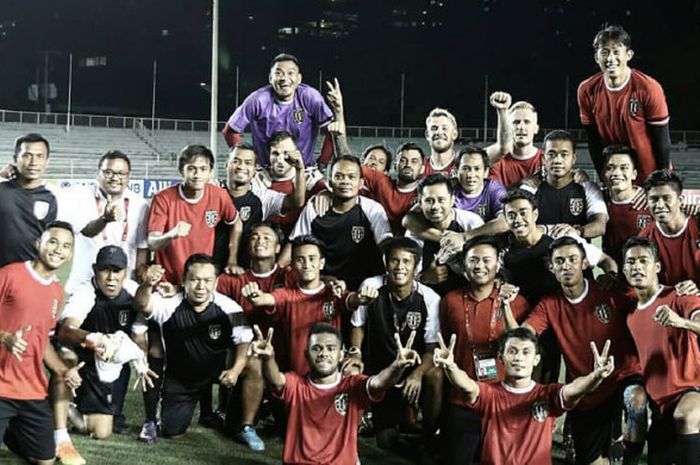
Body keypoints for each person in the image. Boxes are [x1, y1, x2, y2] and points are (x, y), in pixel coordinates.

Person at [506, 236, 646, 465]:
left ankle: (631, 459)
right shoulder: (549, 304)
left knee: (636, 399)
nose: (566, 265)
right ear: (552, 268)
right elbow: (522, 336)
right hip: (588, 388)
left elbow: (646, 301)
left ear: (584, 264)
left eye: (573, 259)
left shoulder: (607, 289)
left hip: (624, 374)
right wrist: (505, 305)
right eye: (559, 261)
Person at [433, 327, 615, 465]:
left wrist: (596, 376)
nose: (519, 358)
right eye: (512, 351)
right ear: (501, 357)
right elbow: (467, 386)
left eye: (526, 352)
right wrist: (450, 366)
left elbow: (574, 389)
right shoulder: (489, 394)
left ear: (536, 360)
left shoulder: (547, 395)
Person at [249, 321, 422, 465]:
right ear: (306, 355)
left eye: (330, 348)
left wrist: (397, 366)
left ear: (341, 355)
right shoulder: (296, 384)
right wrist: (268, 358)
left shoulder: (353, 385)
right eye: (316, 348)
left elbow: (379, 382)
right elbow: (276, 380)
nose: (323, 353)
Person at [134, 255, 253, 438]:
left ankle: (238, 419)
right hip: (182, 378)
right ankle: (169, 410)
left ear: (216, 282)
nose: (200, 287)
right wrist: (148, 284)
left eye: (207, 281)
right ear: (184, 280)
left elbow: (244, 339)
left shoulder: (230, 309)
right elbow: (142, 304)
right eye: (195, 280)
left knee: (253, 365)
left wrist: (236, 370)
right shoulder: (169, 303)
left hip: (216, 371)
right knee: (171, 431)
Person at [52, 246, 155, 459]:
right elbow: (65, 330)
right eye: (104, 270)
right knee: (66, 361)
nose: (110, 277)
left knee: (102, 432)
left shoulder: (133, 293)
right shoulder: (86, 292)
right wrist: (92, 339)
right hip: (80, 355)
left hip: (107, 363)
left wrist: (140, 361)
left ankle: (65, 409)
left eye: (116, 270)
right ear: (94, 270)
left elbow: (138, 335)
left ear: (125, 272)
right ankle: (59, 435)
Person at [439, 236, 530, 465]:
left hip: (504, 400)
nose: (480, 266)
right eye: (473, 260)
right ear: (464, 265)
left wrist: (506, 305)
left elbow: (522, 344)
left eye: (487, 260)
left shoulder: (517, 302)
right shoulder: (450, 300)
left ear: (498, 264)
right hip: (463, 398)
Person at [347, 237, 442, 453]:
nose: (400, 267)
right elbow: (358, 325)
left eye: (407, 262)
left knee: (435, 375)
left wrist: (417, 375)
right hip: (380, 370)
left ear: (417, 266)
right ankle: (357, 425)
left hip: (410, 372)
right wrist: (355, 354)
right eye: (394, 261)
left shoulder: (430, 298)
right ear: (385, 262)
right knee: (387, 442)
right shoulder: (371, 286)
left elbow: (431, 349)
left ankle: (428, 437)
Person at [0, 221, 83, 465]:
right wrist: (5, 337)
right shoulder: (9, 274)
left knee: (45, 460)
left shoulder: (57, 293)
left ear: (69, 255)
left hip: (31, 389)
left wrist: (63, 371)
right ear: (39, 244)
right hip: (1, 385)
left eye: (66, 246)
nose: (59, 249)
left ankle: (11, 431)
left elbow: (43, 340)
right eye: (53, 241)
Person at [621, 237, 700, 465]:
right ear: (624, 270)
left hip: (691, 392)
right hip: (660, 408)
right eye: (631, 262)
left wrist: (682, 323)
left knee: (685, 416)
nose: (637, 266)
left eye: (643, 261)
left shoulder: (679, 297)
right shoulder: (631, 317)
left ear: (656, 267)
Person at [216, 222, 294, 451]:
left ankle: (270, 407)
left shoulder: (288, 277)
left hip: (286, 356)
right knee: (231, 426)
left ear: (278, 247)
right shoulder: (234, 279)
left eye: (267, 238)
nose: (260, 241)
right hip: (246, 355)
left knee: (286, 427)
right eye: (254, 237)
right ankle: (247, 425)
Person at [242, 235, 350, 374]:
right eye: (300, 260)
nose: (306, 265)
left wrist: (362, 297)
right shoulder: (287, 294)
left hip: (330, 375)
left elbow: (352, 300)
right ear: (292, 265)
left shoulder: (334, 291)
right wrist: (255, 296)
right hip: (297, 378)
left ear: (321, 263)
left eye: (312, 259)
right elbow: (267, 298)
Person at [578, 24, 671, 183]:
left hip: (649, 179)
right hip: (616, 179)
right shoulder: (586, 90)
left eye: (616, 52)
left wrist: (659, 181)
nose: (610, 59)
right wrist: (603, 177)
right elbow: (593, 141)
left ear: (629, 55)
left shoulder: (648, 88)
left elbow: (662, 141)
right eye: (605, 53)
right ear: (596, 57)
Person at [287, 155, 392, 291]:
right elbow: (294, 246)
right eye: (339, 176)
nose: (345, 181)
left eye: (351, 177)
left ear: (360, 184)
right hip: (324, 286)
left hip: (364, 287)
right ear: (330, 183)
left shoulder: (373, 209)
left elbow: (386, 247)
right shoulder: (315, 207)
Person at [147, 144, 240, 285]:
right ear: (181, 171)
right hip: (167, 284)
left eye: (203, 169)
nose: (197, 175)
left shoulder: (219, 196)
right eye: (191, 169)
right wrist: (171, 234)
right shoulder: (163, 198)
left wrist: (232, 259)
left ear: (210, 172)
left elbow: (236, 223)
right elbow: (152, 242)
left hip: (200, 284)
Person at [59, 151, 149, 296]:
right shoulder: (81, 197)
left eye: (121, 173)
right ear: (98, 173)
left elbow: (142, 248)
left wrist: (140, 279)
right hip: (84, 282)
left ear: (129, 176)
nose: (115, 178)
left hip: (123, 285)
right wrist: (105, 219)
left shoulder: (140, 204)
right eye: (108, 172)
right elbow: (87, 231)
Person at [222, 53, 336, 168]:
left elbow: (332, 131)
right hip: (267, 171)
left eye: (290, 73)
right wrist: (247, 161)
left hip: (302, 170)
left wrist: (323, 161)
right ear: (270, 78)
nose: (284, 78)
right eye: (278, 73)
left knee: (323, 186)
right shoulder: (258, 100)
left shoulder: (310, 97)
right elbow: (231, 131)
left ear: (299, 78)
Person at [214, 141, 305, 270]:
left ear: (255, 170)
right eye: (236, 161)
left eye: (248, 163)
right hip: (210, 269)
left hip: (245, 272)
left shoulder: (262, 197)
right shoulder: (212, 191)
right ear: (226, 165)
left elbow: (297, 202)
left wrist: (300, 170)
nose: (241, 166)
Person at [402, 174, 484, 296]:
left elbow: (489, 265)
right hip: (432, 298)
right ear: (420, 203)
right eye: (429, 201)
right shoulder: (413, 233)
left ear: (452, 200)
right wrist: (425, 278)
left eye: (441, 200)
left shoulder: (471, 222)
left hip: (471, 295)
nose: (435, 207)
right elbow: (405, 279)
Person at [525, 130, 608, 240]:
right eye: (551, 154)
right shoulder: (531, 188)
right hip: (540, 254)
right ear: (544, 159)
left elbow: (600, 226)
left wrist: (577, 231)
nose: (557, 160)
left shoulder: (588, 188)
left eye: (564, 155)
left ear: (573, 159)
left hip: (575, 254)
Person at [0, 133, 58, 267]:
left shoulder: (50, 199)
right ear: (15, 159)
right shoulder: (2, 190)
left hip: (29, 276)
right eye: (27, 156)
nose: (33, 163)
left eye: (39, 156)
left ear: (47, 162)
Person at [639, 170, 699, 285]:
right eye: (654, 199)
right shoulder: (645, 237)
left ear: (680, 200)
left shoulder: (697, 225)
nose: (660, 205)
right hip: (668, 300)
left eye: (667, 198)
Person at [600, 145, 652, 268]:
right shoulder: (599, 200)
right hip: (614, 276)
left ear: (634, 174)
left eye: (624, 168)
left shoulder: (650, 201)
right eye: (610, 168)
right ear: (603, 174)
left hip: (646, 277)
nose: (616, 173)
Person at [485, 92, 545, 187]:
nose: (521, 127)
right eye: (516, 122)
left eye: (527, 122)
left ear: (536, 128)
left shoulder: (546, 159)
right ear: (508, 127)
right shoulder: (496, 160)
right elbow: (494, 197)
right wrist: (502, 110)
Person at [453, 146, 506, 222]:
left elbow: (504, 222)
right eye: (465, 169)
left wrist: (466, 234)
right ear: (456, 171)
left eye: (477, 169)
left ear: (486, 172)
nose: (471, 175)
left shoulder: (493, 188)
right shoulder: (448, 189)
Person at [424, 108, 460, 176]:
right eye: (434, 128)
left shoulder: (463, 167)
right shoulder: (419, 168)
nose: (439, 132)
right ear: (427, 135)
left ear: (454, 134)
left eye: (444, 128)